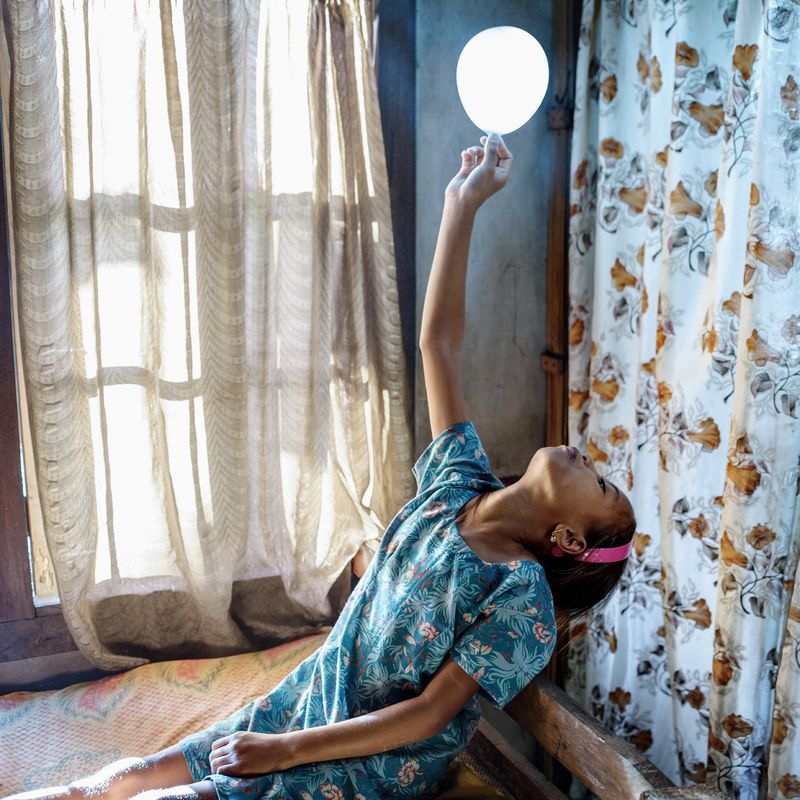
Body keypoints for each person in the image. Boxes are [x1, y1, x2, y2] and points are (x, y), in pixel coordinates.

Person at [9, 133, 635, 800]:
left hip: (368, 760)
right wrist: (463, 203)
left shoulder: (523, 599)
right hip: (310, 701)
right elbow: (438, 343)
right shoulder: (460, 480)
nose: (586, 457)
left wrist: (281, 752)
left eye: (598, 483)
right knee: (123, 779)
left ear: (568, 538)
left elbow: (427, 715)